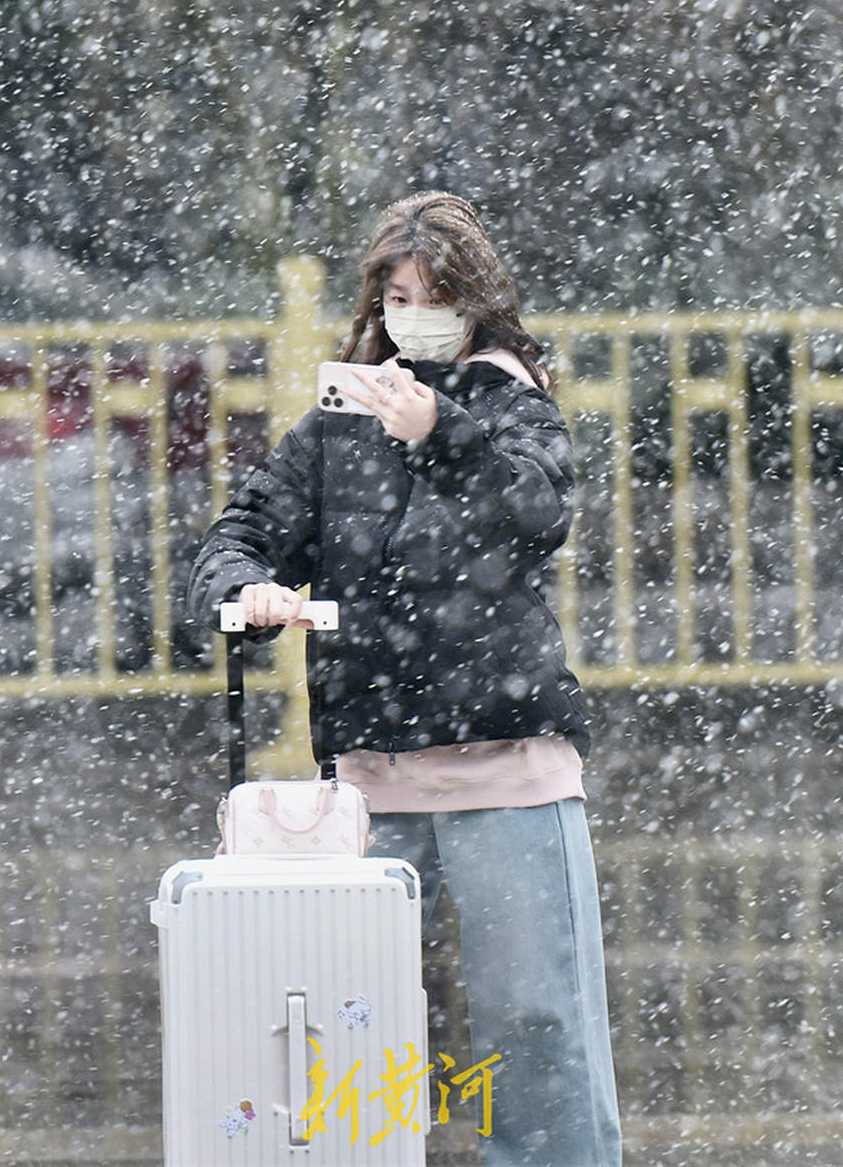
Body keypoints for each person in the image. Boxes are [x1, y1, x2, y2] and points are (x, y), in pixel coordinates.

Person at [186, 191, 623, 1167]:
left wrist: (444, 432)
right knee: (351, 1027)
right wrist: (245, 586)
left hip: (509, 770)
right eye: (395, 295)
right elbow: (237, 533)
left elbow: (539, 509)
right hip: (370, 782)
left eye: (433, 295)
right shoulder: (340, 425)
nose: (411, 314)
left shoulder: (511, 402)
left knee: (536, 1026)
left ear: (475, 303)